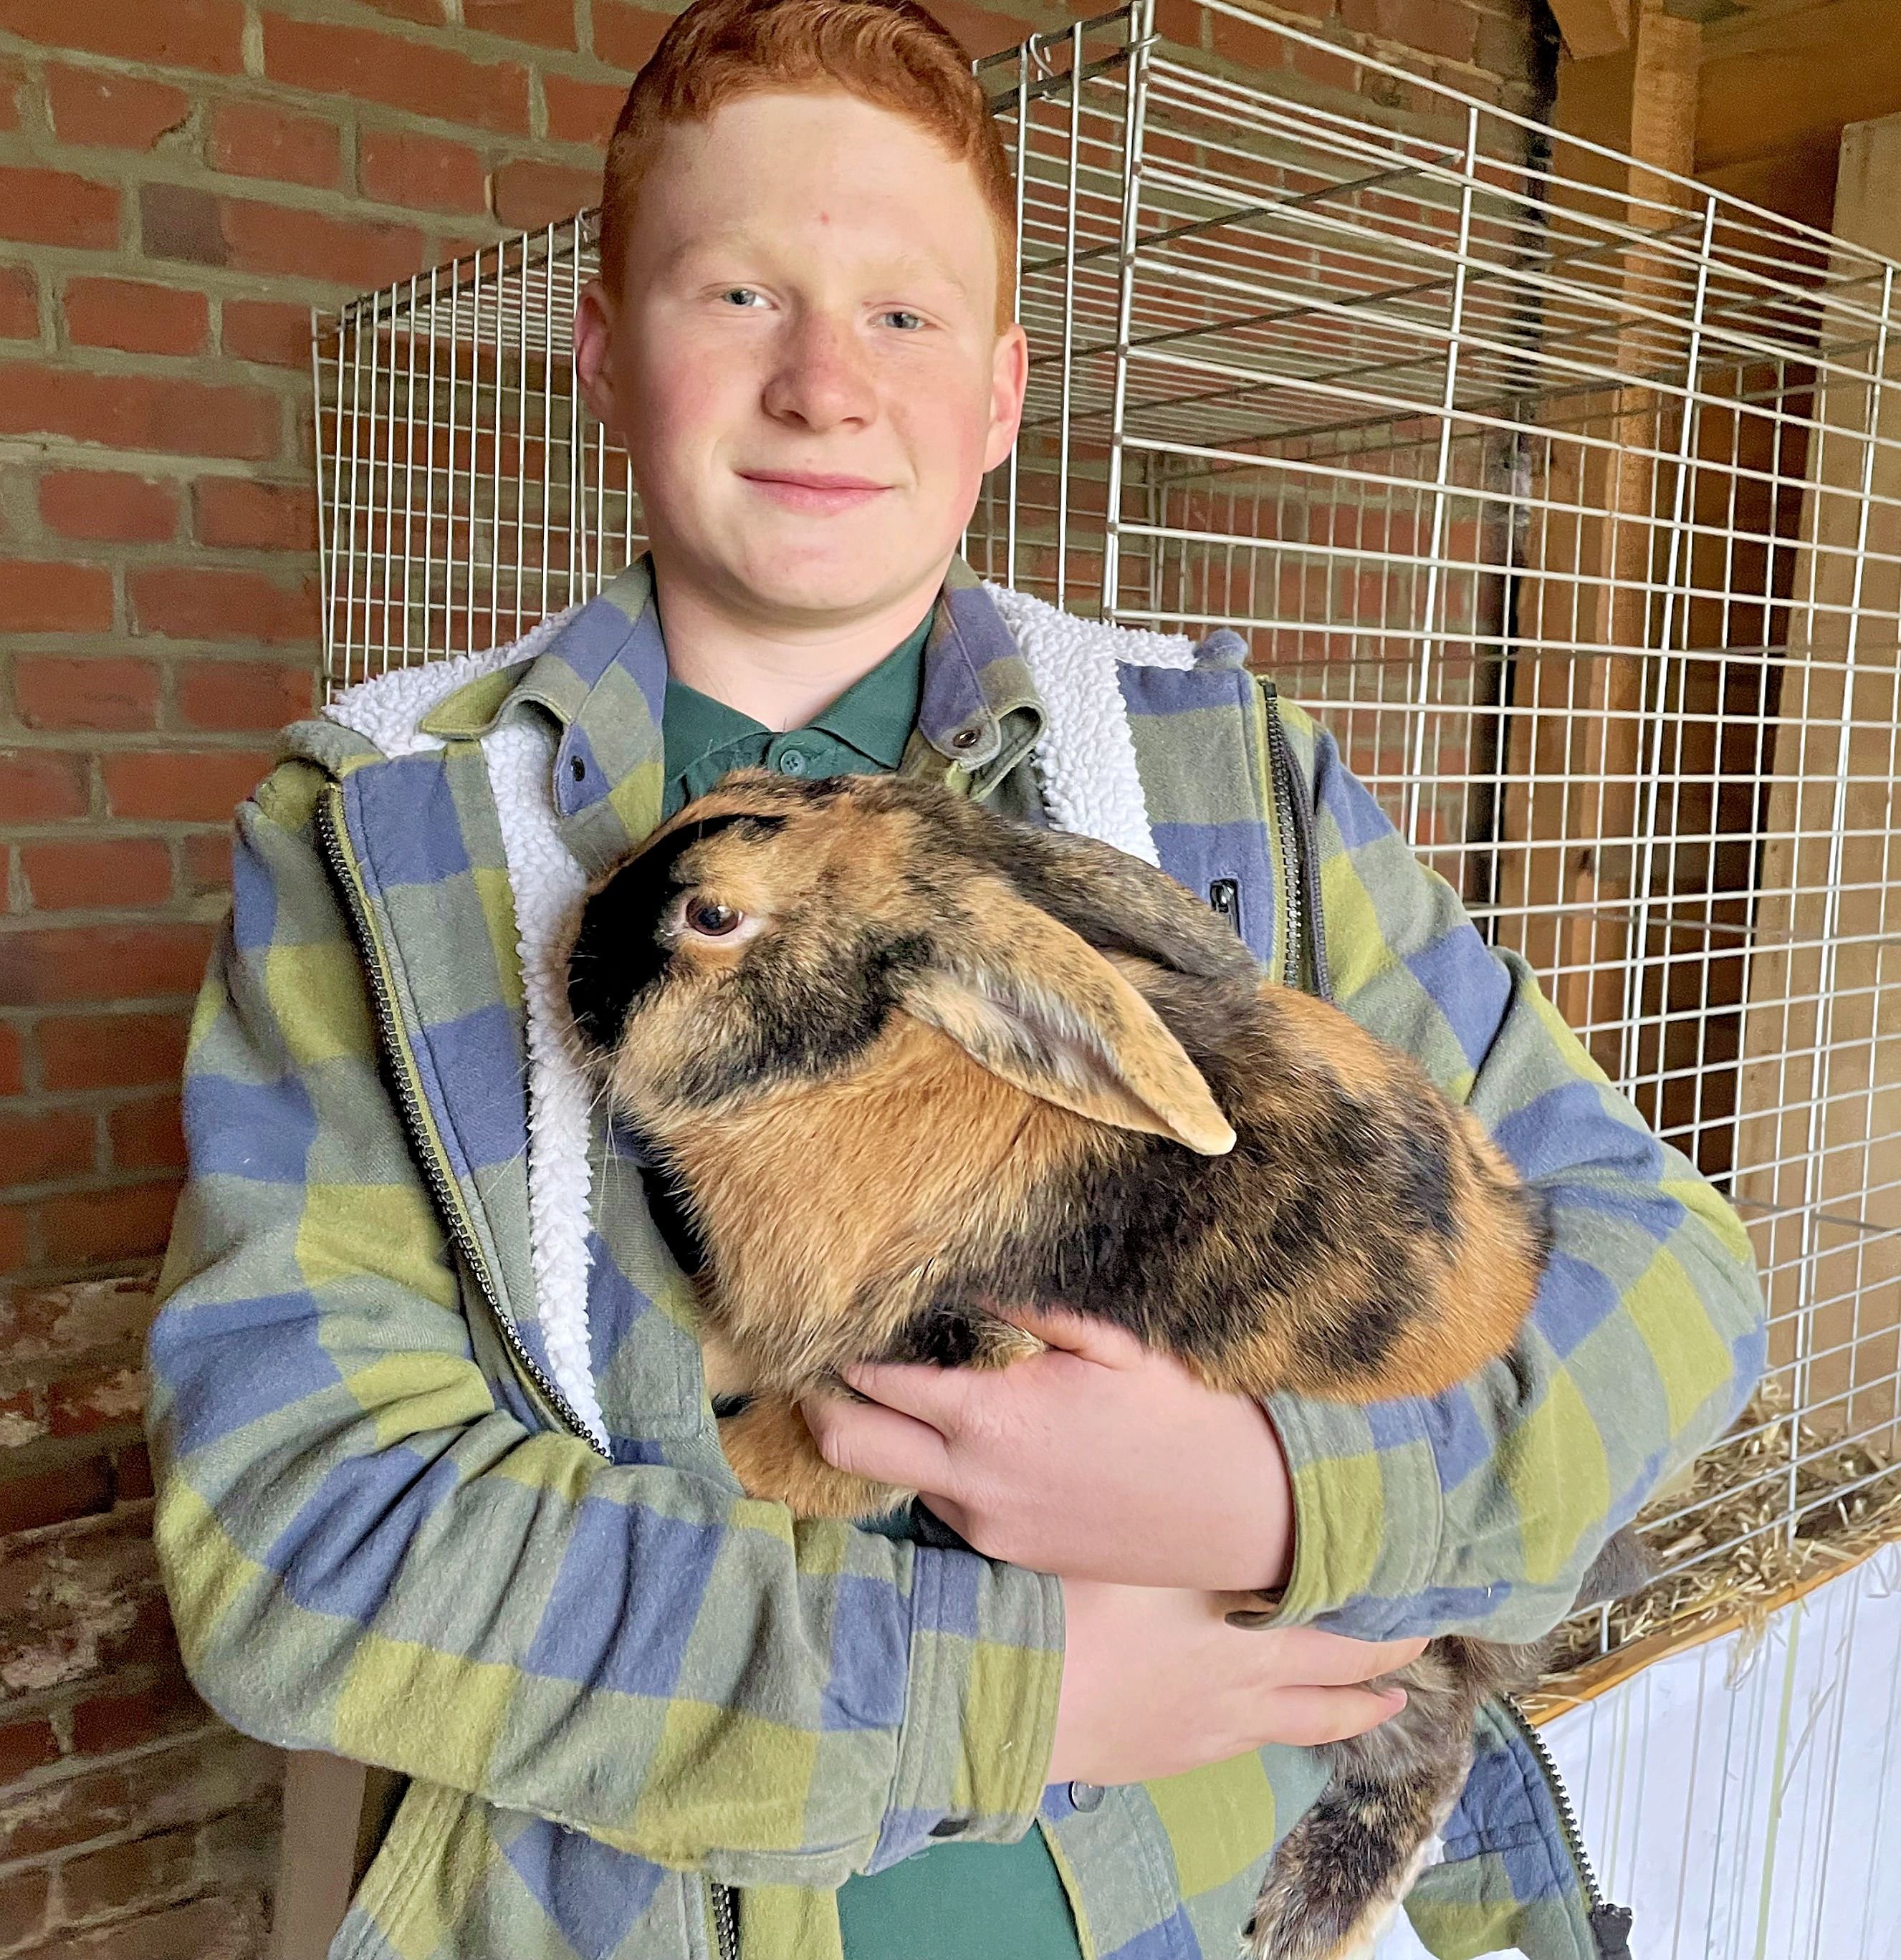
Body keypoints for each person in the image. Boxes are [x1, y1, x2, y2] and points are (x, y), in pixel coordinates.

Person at [144, 2, 1766, 1956]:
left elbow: (1667, 1286)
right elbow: (297, 1534)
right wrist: (1013, 1686)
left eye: (905, 317)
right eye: (738, 291)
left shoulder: (1220, 774)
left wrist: (1267, 1499)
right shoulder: (373, 845)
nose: (827, 383)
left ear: (1002, 397)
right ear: (600, 353)